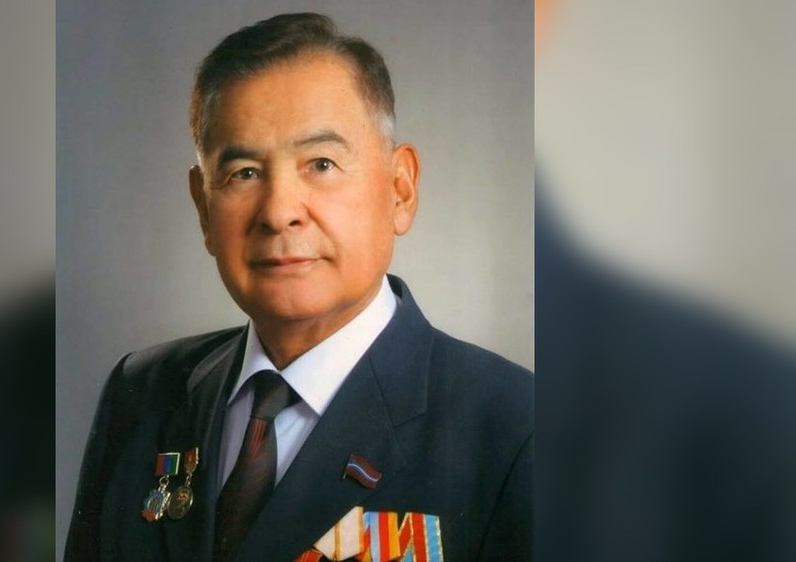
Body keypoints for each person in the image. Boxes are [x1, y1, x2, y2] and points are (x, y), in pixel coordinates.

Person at [65, 13, 532, 562]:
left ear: (400, 190)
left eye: (321, 164)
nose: (279, 211)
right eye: (243, 172)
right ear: (203, 207)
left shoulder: (516, 427)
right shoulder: (142, 392)